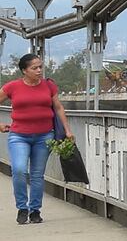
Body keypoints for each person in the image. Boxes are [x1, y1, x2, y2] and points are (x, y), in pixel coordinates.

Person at [1, 54, 73, 225]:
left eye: (40, 67)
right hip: (19, 136)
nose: (39, 70)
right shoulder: (12, 87)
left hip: (44, 136)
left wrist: (67, 130)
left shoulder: (49, 86)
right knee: (19, 170)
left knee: (37, 174)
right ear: (24, 70)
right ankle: (22, 208)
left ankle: (35, 210)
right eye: (34, 68)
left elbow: (58, 107)